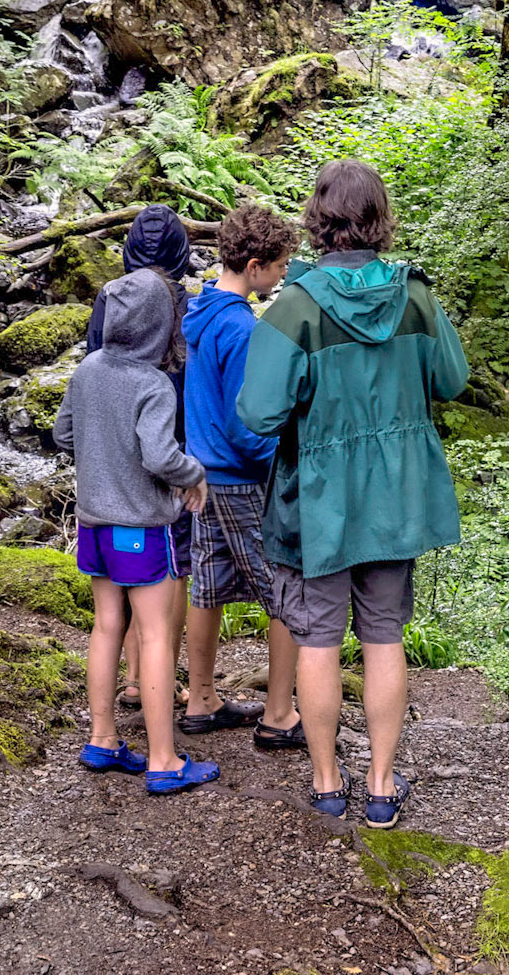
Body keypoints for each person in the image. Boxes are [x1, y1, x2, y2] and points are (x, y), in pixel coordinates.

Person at [237, 158, 469, 826]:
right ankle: (382, 783)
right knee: (383, 638)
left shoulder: (297, 307)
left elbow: (257, 414)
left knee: (317, 640)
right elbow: (452, 380)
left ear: (319, 219)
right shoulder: (416, 297)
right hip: (397, 497)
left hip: (318, 504)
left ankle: (326, 780)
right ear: (379, 220)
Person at [54, 268, 220, 795]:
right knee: (151, 635)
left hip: (94, 524)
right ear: (160, 324)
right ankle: (165, 760)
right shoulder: (152, 383)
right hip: (142, 529)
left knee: (106, 626)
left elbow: (63, 434)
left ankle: (102, 739)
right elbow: (158, 456)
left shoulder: (87, 370)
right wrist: (193, 473)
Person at [181, 202, 305, 747]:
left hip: (204, 476)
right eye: (278, 266)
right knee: (284, 589)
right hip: (239, 478)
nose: (281, 276)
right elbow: (245, 421)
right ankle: (279, 714)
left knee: (206, 586)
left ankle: (201, 697)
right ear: (253, 265)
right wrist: (277, 460)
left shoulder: (202, 310)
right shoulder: (238, 328)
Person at [86, 204, 197, 715]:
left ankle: (132, 683)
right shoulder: (184, 305)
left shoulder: (109, 299)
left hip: (107, 470)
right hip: (167, 459)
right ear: (180, 251)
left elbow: (95, 368)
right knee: (167, 575)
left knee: (114, 600)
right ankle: (157, 680)